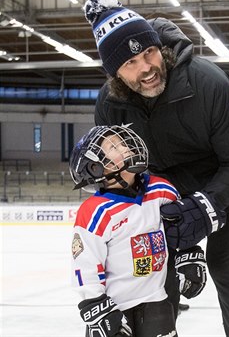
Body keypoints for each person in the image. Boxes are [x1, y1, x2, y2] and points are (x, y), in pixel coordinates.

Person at [82, 0, 229, 336]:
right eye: (130, 63)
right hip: (164, 188)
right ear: (115, 73)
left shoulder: (208, 82)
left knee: (226, 265)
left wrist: (206, 206)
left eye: (148, 53)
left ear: (158, 49)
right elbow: (117, 171)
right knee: (154, 269)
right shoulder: (109, 105)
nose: (146, 68)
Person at [70, 125, 208, 337]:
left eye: (123, 143)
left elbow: (179, 229)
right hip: (114, 308)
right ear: (96, 168)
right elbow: (85, 265)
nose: (125, 148)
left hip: (156, 299)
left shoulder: (161, 189)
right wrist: (95, 306)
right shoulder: (95, 212)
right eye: (113, 146)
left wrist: (188, 255)